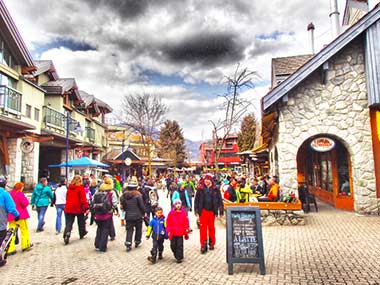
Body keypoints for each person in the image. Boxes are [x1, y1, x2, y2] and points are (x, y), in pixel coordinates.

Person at [194, 174, 223, 254]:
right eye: (205, 179)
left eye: (208, 179)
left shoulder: (215, 189)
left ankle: (211, 243)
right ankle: (203, 245)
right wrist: (196, 210)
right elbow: (196, 200)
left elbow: (220, 200)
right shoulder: (200, 189)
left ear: (211, 180)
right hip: (203, 211)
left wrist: (221, 211)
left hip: (212, 211)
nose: (206, 181)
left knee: (211, 228)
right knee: (203, 228)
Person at [93, 177, 119, 252]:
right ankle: (102, 246)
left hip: (98, 213)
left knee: (99, 228)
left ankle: (97, 244)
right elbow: (114, 203)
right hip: (107, 213)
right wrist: (115, 210)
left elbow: (93, 200)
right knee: (105, 229)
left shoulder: (98, 191)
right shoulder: (111, 192)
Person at [120, 180, 146, 252]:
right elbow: (141, 206)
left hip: (128, 215)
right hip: (138, 215)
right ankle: (137, 241)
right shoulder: (138, 195)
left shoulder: (124, 196)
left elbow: (123, 207)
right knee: (138, 229)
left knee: (129, 230)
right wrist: (144, 212)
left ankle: (128, 243)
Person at [7, 182, 33, 255]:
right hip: (21, 216)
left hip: (11, 216)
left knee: (12, 232)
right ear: (20, 187)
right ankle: (25, 245)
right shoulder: (20, 194)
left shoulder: (10, 194)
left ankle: (10, 249)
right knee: (24, 230)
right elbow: (25, 203)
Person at [63, 175, 89, 245]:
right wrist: (86, 207)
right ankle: (82, 232)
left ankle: (67, 233)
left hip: (69, 207)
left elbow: (67, 197)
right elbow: (83, 199)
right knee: (81, 221)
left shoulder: (69, 188)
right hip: (78, 207)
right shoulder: (80, 188)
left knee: (69, 222)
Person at [0, 176, 20, 267]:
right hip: (1, 222)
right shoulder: (5, 194)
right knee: (1, 240)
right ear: (5, 184)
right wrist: (17, 215)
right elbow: (11, 208)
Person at [166, 199, 189, 263]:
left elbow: (186, 221)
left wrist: (186, 228)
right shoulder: (171, 213)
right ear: (174, 205)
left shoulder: (183, 213)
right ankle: (176, 253)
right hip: (173, 232)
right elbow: (168, 221)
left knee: (179, 245)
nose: (178, 205)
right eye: (176, 204)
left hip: (180, 232)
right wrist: (168, 230)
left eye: (179, 204)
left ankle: (179, 257)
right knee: (173, 245)